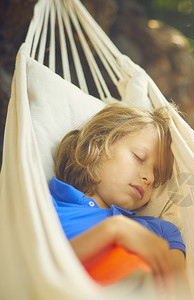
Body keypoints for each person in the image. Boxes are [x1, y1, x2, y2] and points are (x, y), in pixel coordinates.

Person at [49, 103, 185, 296]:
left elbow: (176, 292)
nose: (150, 178)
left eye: (157, 175)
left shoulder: (162, 230)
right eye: (139, 157)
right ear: (97, 144)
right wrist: (114, 229)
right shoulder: (48, 203)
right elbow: (36, 268)